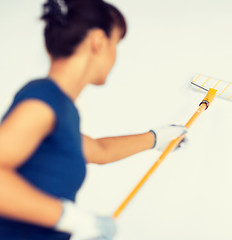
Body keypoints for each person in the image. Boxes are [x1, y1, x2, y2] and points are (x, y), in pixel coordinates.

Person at [0, 0, 187, 239]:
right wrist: (70, 218)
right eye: (116, 43)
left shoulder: (61, 109)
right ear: (98, 41)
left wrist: (158, 138)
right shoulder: (45, 98)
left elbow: (100, 150)